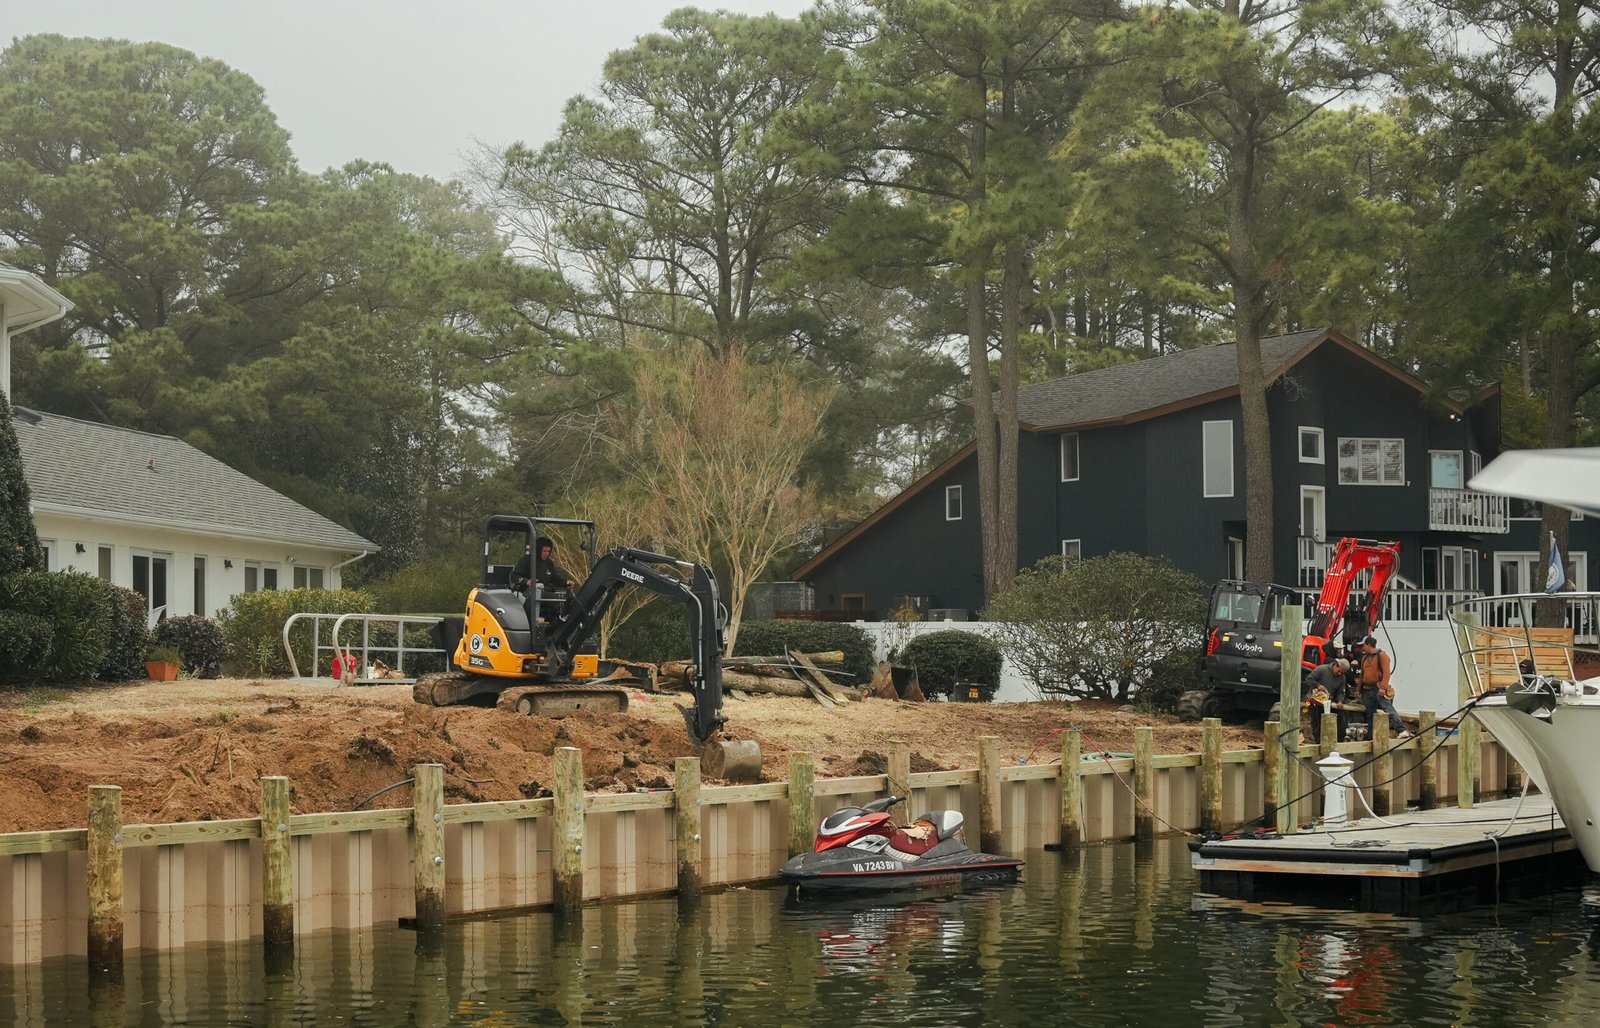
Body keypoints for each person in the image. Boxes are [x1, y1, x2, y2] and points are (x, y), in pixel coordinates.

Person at [1355, 635, 1408, 738]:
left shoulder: (1382, 656)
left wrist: (1383, 687)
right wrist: (1358, 689)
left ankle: (1402, 730)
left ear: (1369, 645)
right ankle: (1371, 737)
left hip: (1378, 689)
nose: (1362, 648)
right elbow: (1362, 676)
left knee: (1388, 709)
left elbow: (1386, 673)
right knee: (1370, 715)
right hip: (1367, 690)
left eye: (1363, 646)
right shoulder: (1364, 658)